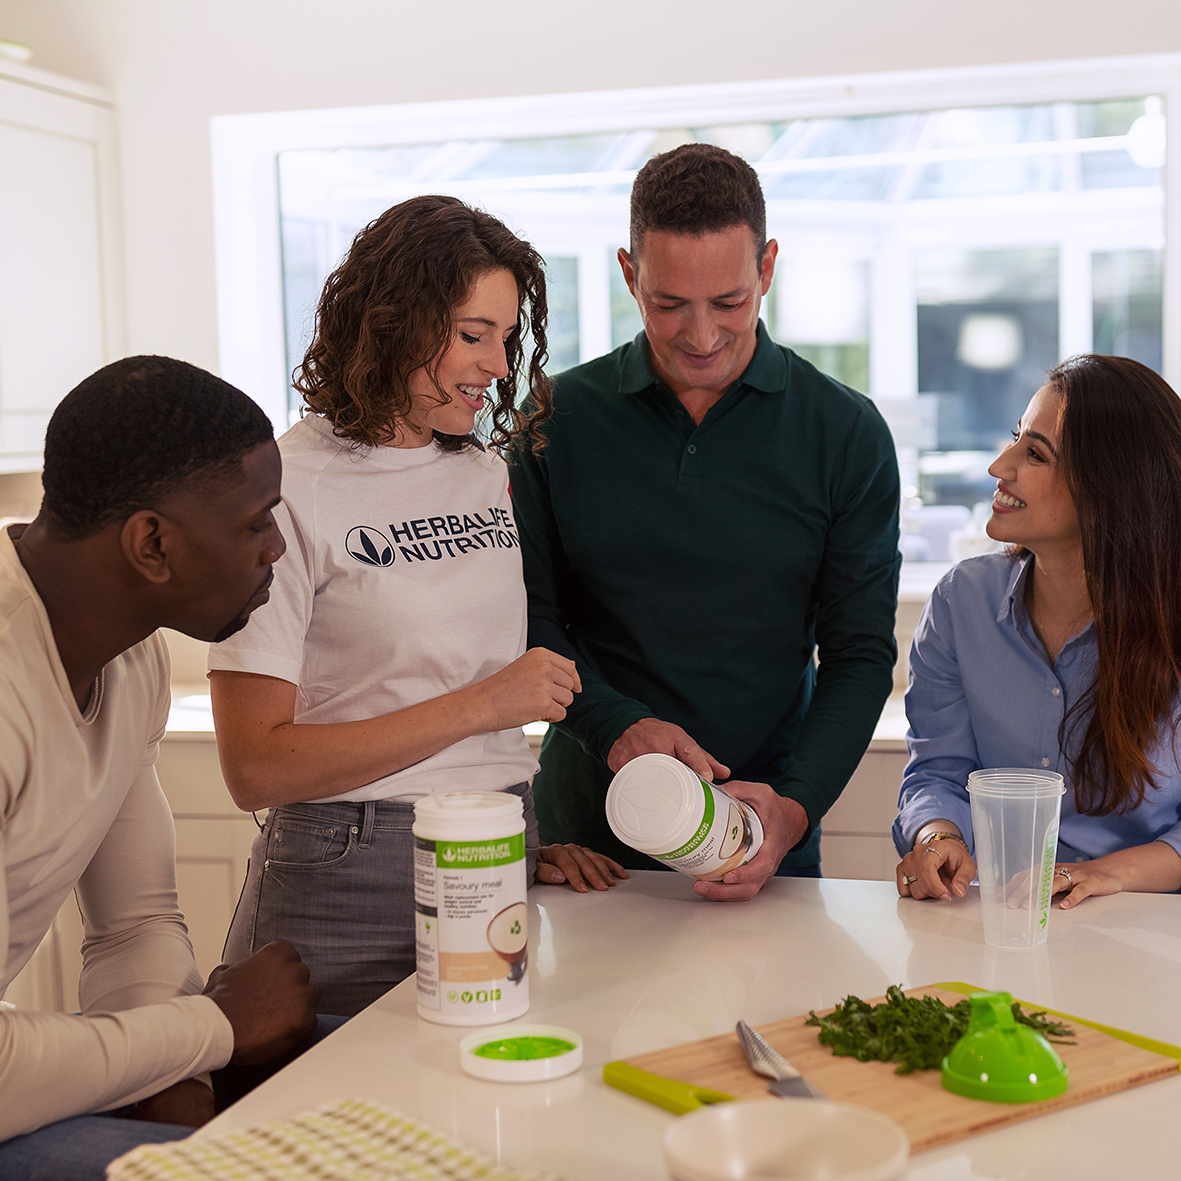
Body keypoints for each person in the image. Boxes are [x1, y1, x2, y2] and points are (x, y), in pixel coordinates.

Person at [209, 195, 626, 1019]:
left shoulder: (480, 471)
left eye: (505, 337)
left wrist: (516, 838)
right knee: (316, 1133)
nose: (498, 364)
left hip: (494, 850)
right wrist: (485, 704)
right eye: (474, 335)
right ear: (391, 322)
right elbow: (253, 765)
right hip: (344, 867)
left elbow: (464, 695)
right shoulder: (288, 482)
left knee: (463, 1121)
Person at [510, 144, 901, 900]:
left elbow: (856, 655)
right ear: (629, 273)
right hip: (590, 841)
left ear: (767, 268)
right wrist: (614, 724)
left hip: (765, 825)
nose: (699, 335)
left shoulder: (844, 431)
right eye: (667, 304)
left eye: (727, 302)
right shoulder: (555, 419)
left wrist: (792, 809)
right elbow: (526, 616)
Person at [0, 357, 321, 1179]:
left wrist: (170, 1080)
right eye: (258, 521)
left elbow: (134, 921)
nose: (277, 547)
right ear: (153, 544)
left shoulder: (129, 657)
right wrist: (212, 1029)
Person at [894, 354, 1181, 907]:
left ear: (1109, 491)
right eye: (1015, 438)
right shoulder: (962, 603)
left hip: (1145, 931)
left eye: (1035, 454)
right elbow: (937, 772)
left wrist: (1106, 873)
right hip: (998, 919)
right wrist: (938, 838)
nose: (1000, 466)